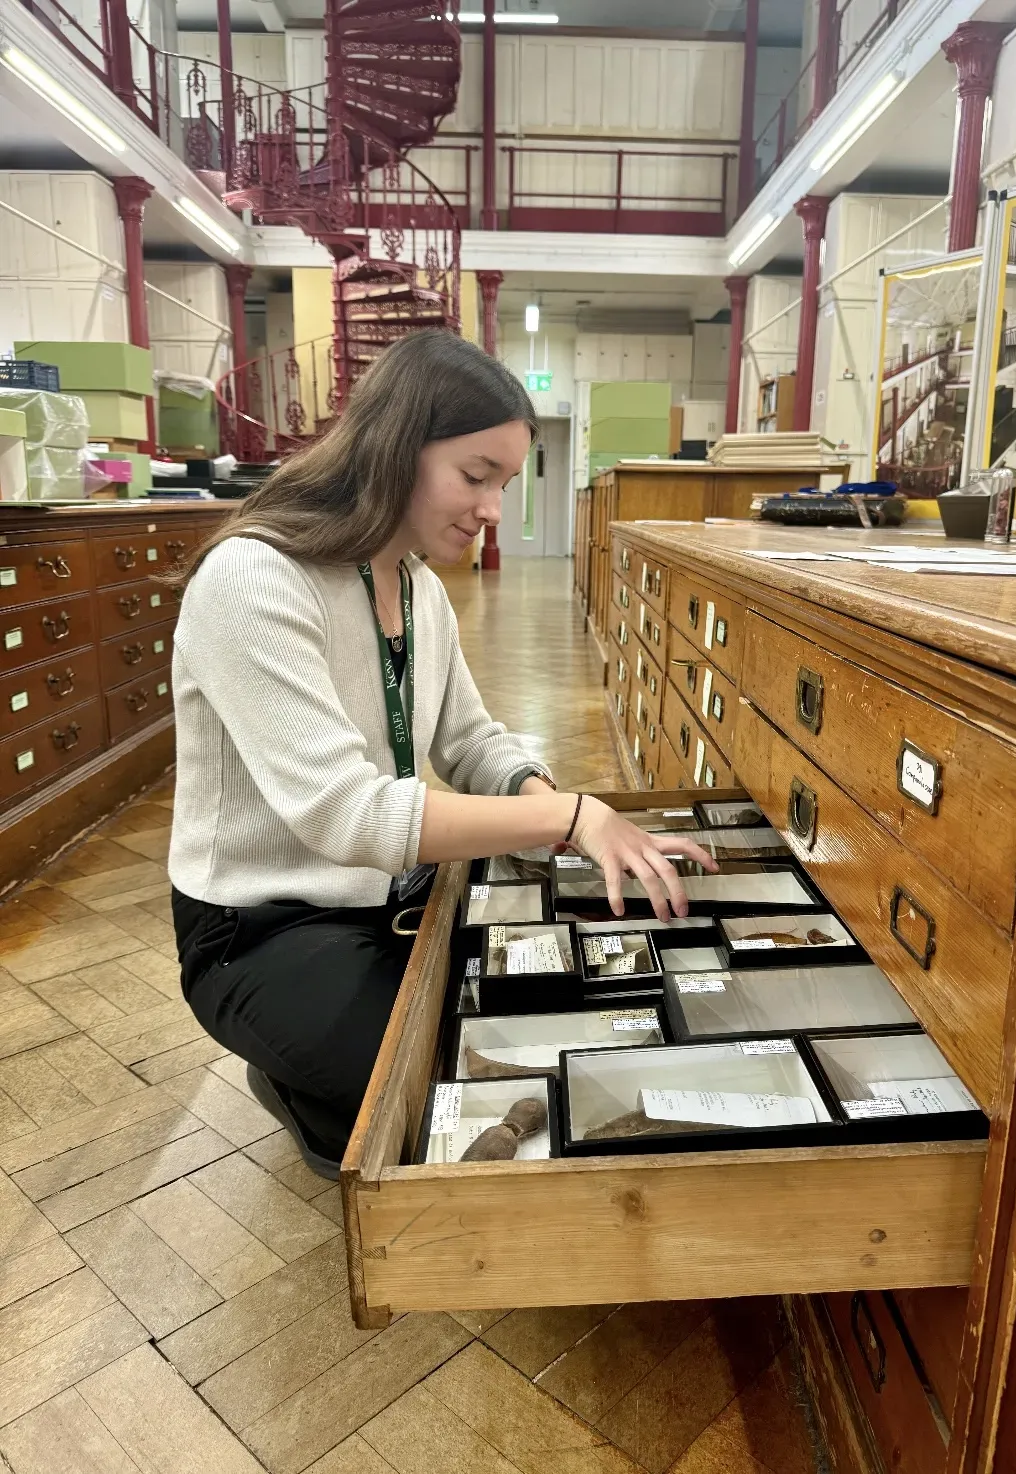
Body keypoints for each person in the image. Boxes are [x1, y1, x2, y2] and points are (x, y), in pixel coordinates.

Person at [168, 329, 713, 1178]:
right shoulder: (252, 578)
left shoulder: (415, 583)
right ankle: (294, 1073)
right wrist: (568, 814)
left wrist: (543, 801)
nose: (492, 508)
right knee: (453, 1085)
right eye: (475, 476)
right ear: (394, 448)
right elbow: (345, 815)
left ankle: (321, 1067)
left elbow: (468, 740)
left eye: (502, 481)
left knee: (532, 1019)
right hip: (260, 930)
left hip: (382, 896)